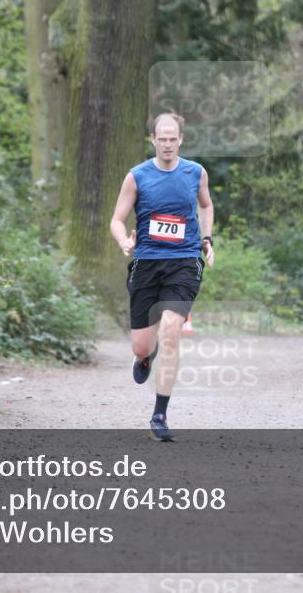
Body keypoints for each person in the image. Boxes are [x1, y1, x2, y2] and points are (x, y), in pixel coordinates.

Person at [109, 112, 215, 441]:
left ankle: (159, 414)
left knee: (170, 331)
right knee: (142, 346)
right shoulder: (137, 176)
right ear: (153, 140)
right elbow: (116, 220)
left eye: (173, 139)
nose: (167, 144)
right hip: (147, 263)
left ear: (180, 140)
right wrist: (123, 240)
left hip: (184, 261)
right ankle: (145, 356)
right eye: (162, 139)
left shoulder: (195, 172)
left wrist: (207, 239)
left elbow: (206, 206)